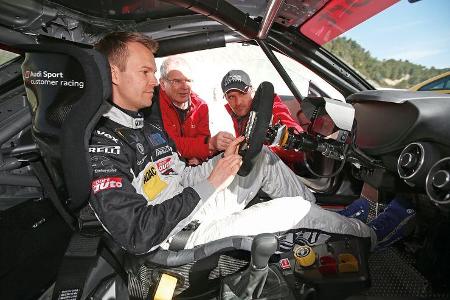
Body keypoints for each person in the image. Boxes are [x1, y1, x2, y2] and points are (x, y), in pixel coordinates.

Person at [89, 31, 415, 256]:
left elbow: (177, 176)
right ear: (113, 74)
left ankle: (331, 220)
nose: (153, 81)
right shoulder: (103, 147)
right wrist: (214, 180)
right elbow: (138, 234)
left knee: (260, 160)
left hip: (193, 205)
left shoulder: (145, 127)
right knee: (292, 210)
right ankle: (370, 237)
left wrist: (219, 162)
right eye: (146, 71)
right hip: (178, 234)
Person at [158, 56, 234, 165]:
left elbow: (203, 139)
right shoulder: (154, 106)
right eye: (177, 81)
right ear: (163, 84)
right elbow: (170, 144)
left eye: (188, 80)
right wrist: (210, 144)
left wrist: (199, 158)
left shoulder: (201, 107)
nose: (185, 87)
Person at [221, 69, 305, 169]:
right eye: (231, 97)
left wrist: (287, 139)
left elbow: (292, 130)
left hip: (282, 172)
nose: (238, 102)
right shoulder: (239, 115)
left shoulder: (270, 108)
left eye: (242, 93)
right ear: (226, 98)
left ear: (252, 90)